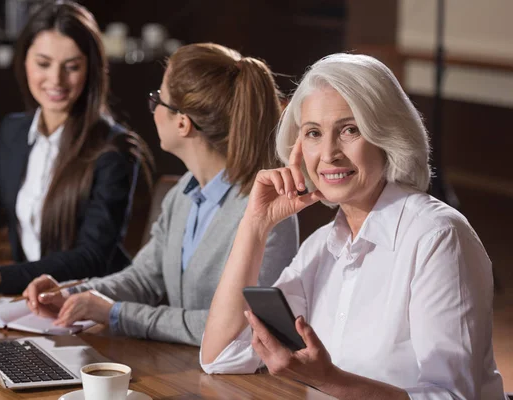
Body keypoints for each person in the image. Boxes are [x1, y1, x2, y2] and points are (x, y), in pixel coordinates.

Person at [200, 53, 506, 399]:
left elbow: (453, 397)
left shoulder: (438, 237)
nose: (329, 153)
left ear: (387, 135)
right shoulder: (321, 247)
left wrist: (328, 379)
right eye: (313, 133)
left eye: (349, 130)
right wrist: (256, 224)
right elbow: (221, 356)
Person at [23, 43, 299, 346]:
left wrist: (117, 314)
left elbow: (241, 328)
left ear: (183, 123)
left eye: (158, 99)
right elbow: (144, 278)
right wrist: (68, 294)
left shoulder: (268, 212)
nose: (152, 107)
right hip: (180, 368)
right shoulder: (182, 193)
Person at [0, 1, 152, 294]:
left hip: (91, 304)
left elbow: (92, 258)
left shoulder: (115, 148)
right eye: (43, 64)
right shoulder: (13, 131)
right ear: (24, 61)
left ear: (92, 69)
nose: (56, 80)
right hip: (31, 299)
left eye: (71, 67)